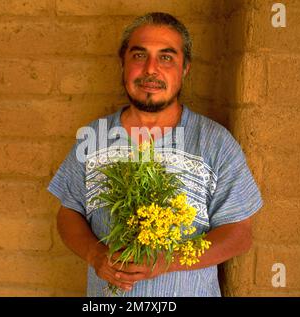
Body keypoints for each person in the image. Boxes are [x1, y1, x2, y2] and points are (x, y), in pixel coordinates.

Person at [47, 12, 263, 297]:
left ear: (185, 68)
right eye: (139, 56)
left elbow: (239, 235)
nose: (151, 69)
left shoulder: (214, 142)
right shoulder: (94, 137)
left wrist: (167, 262)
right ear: (122, 63)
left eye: (166, 57)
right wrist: (95, 255)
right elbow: (69, 212)